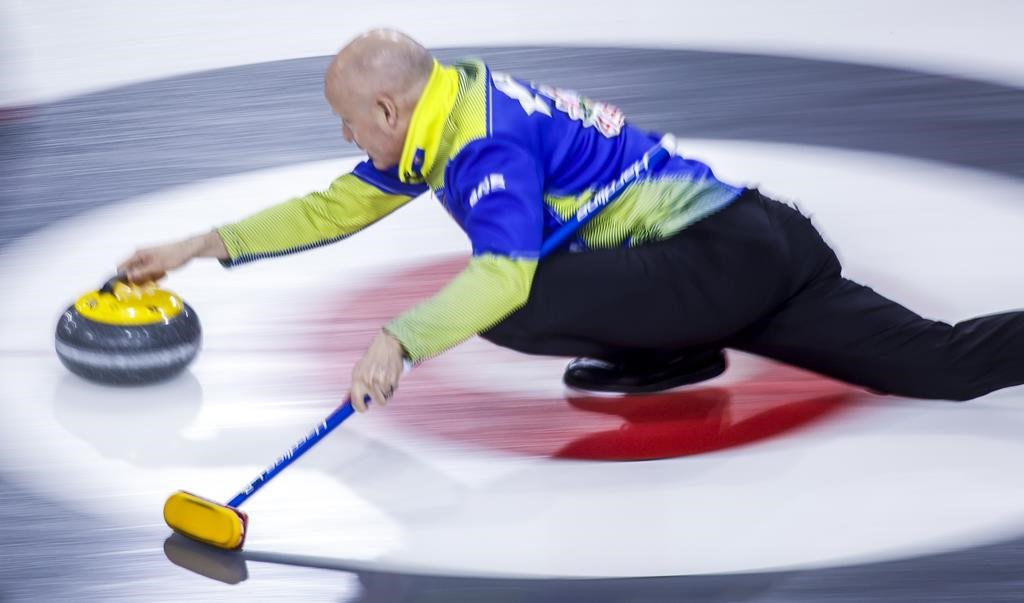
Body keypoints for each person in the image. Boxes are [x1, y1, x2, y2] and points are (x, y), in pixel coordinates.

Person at [119, 29, 1024, 412]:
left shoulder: (485, 147)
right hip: (747, 246)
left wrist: (397, 340)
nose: (347, 137)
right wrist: (206, 245)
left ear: (389, 113)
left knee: (507, 300)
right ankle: (672, 346)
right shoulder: (445, 105)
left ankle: (667, 343)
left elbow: (506, 277)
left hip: (713, 258)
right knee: (936, 367)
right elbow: (340, 204)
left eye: (349, 123)